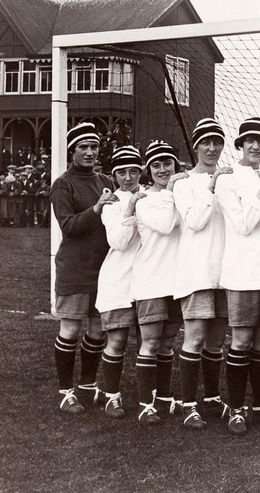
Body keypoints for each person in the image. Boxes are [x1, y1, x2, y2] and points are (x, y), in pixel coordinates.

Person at [214, 117, 260, 435]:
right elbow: (243, 225)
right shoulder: (228, 179)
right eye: (250, 140)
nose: (255, 146)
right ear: (240, 144)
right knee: (240, 341)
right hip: (241, 273)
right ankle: (236, 409)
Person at [49, 122, 116, 414]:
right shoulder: (62, 184)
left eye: (94, 147)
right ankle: (66, 391)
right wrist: (96, 209)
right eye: (83, 148)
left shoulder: (105, 180)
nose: (89, 152)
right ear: (71, 151)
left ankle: (88, 385)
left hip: (104, 268)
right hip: (75, 268)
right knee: (70, 329)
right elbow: (68, 227)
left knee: (99, 330)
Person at [171, 118, 232, 429]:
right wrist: (212, 186)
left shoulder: (228, 178)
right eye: (206, 142)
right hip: (196, 272)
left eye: (217, 142)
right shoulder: (182, 183)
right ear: (195, 146)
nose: (212, 148)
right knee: (194, 339)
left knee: (216, 341)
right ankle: (188, 404)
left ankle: (211, 397)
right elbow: (194, 221)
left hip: (225, 273)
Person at [132, 140, 189, 424]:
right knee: (151, 342)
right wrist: (170, 191)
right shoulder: (143, 200)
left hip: (176, 281)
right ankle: (145, 403)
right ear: (148, 170)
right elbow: (167, 225)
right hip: (151, 280)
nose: (163, 169)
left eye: (167, 163)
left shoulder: (178, 192)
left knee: (167, 342)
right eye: (156, 165)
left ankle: (164, 397)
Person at [94, 146, 146, 419]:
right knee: (117, 341)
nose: (128, 177)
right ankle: (111, 395)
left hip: (148, 280)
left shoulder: (149, 194)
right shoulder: (111, 202)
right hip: (118, 280)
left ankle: (154, 397)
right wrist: (132, 208)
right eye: (122, 172)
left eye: (134, 171)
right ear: (114, 175)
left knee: (150, 342)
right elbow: (118, 242)